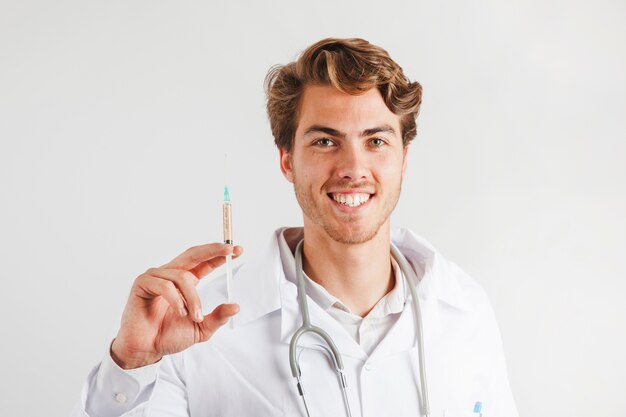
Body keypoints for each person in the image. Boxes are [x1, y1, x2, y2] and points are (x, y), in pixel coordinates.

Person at [71, 38, 518, 417]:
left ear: (403, 159)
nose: (353, 168)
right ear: (287, 160)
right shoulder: (197, 325)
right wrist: (132, 363)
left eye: (376, 141)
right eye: (325, 141)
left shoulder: (464, 311)